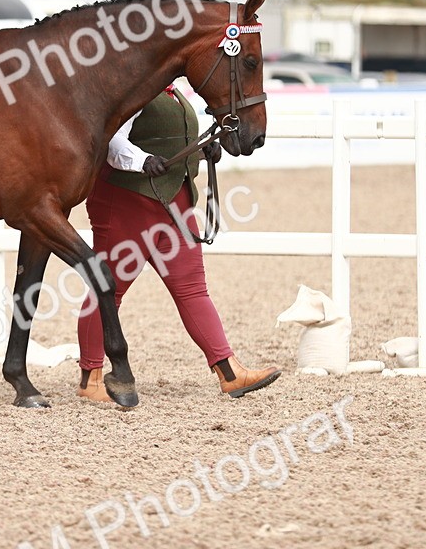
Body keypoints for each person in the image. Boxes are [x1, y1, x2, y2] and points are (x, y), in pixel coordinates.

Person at [77, 84, 281, 402]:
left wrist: (204, 151)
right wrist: (142, 160)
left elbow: (171, 141)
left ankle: (229, 372)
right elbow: (112, 141)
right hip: (129, 201)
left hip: (175, 201)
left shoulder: (175, 94)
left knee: (193, 288)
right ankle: (91, 379)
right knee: (108, 291)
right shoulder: (132, 91)